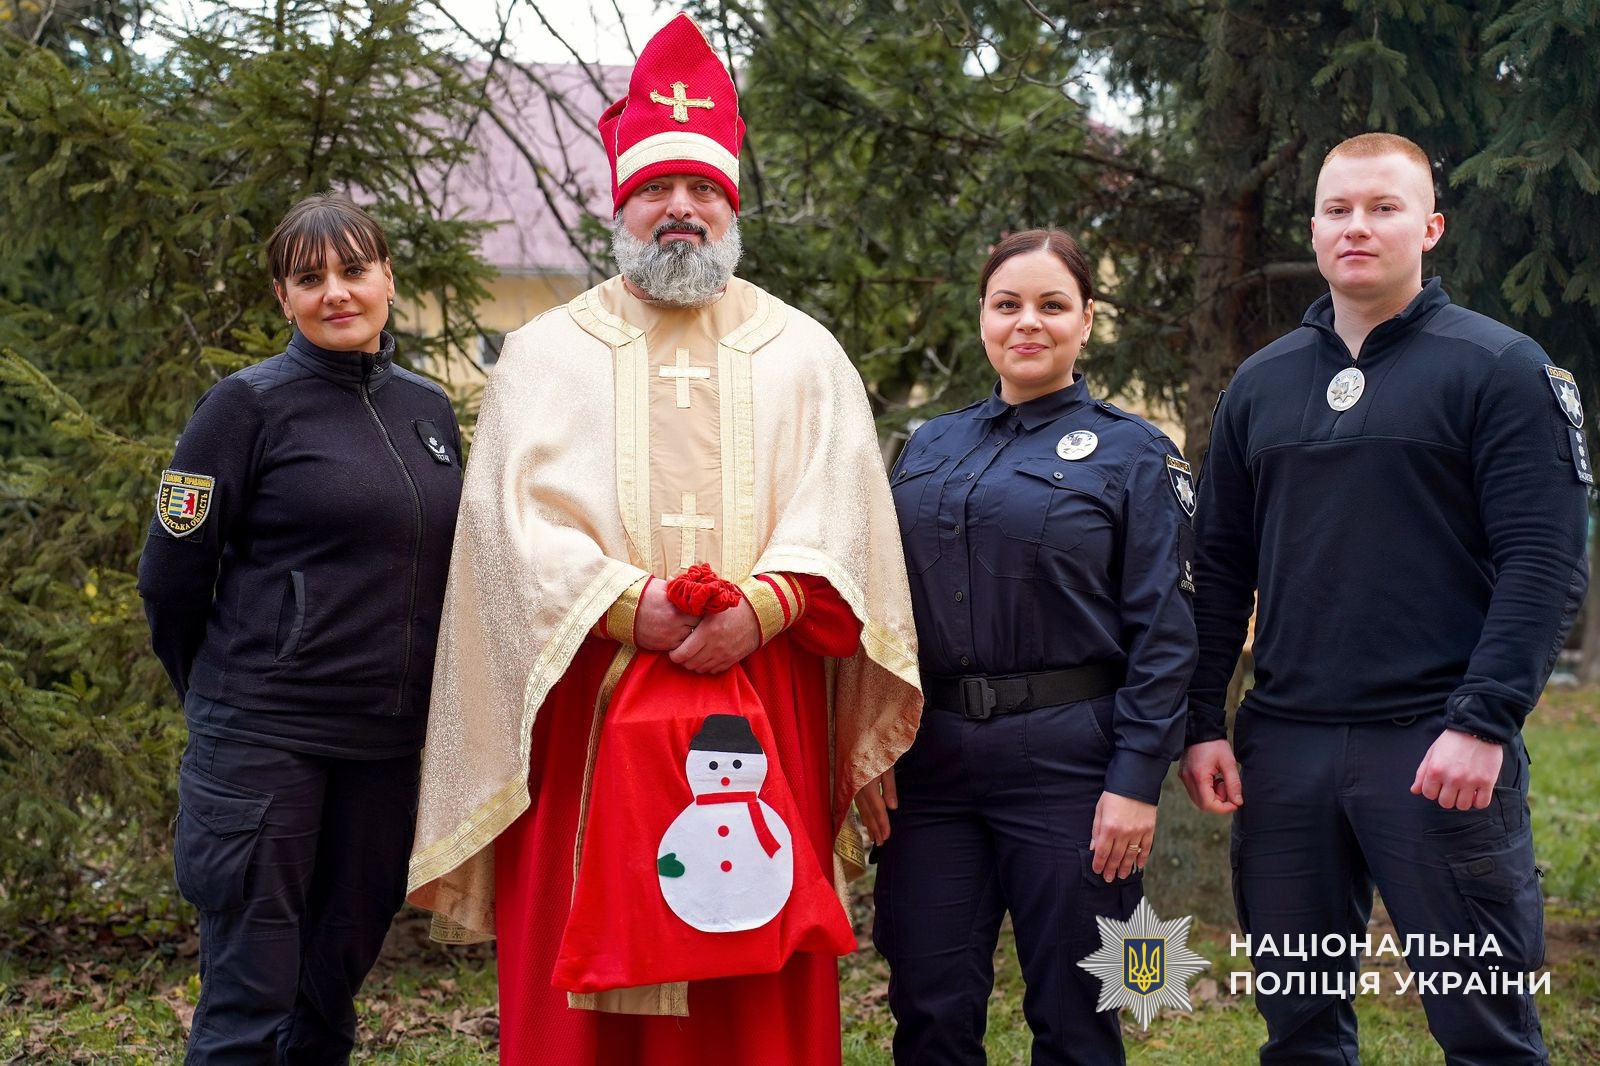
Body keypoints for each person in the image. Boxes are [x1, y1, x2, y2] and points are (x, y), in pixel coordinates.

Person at [403, 13, 921, 1066]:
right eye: (657, 189)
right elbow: (505, 538)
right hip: (587, 714)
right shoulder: (542, 356)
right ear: (620, 202)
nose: (679, 209)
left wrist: (764, 603)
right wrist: (617, 603)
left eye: (702, 190)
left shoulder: (803, 353)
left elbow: (844, 517)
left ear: (730, 204)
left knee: (756, 986)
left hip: (761, 697)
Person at [1179, 132, 1590, 1064]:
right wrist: (1204, 718)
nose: (1356, 226)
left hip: (1437, 747)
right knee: (1300, 1029)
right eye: (1337, 209)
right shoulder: (1261, 383)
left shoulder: (1502, 369)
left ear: (1431, 227)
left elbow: (1545, 559)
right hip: (1284, 753)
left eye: (1383, 207)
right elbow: (1221, 564)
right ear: (1315, 226)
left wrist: (1484, 721)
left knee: (1485, 1030)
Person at [136, 193, 464, 1063]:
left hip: (384, 748)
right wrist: (220, 695)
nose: (336, 294)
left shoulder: (428, 413)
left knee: (333, 984)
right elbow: (170, 575)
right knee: (252, 994)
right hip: (263, 743)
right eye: (310, 278)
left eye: (354, 271)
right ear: (284, 298)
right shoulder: (243, 408)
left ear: (388, 278)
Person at [859, 229, 1198, 1065]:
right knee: (930, 1007)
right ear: (982, 315)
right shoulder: (930, 444)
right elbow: (882, 600)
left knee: (1079, 1014)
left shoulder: (1136, 453)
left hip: (1073, 767)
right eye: (1007, 304)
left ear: (1087, 322)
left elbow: (1166, 631)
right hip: (932, 765)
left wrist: (1136, 782)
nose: (1028, 323)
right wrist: (870, 743)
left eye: (1053, 305)